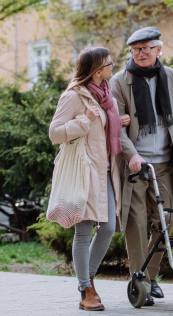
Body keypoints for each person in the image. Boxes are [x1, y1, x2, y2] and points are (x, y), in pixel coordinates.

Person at [110, 27, 173, 306]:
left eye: (146, 48)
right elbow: (116, 127)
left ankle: (150, 277)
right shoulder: (120, 81)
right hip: (135, 164)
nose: (140, 54)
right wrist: (131, 156)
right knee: (136, 221)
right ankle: (138, 279)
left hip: (166, 163)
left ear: (158, 50)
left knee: (164, 221)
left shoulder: (172, 78)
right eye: (135, 50)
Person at [49, 47, 130, 311]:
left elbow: (106, 126)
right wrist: (84, 120)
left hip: (105, 169)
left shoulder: (106, 95)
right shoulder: (73, 96)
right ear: (97, 71)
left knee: (107, 228)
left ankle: (89, 278)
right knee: (83, 231)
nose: (112, 67)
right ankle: (86, 288)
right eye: (109, 64)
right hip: (84, 172)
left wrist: (119, 121)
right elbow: (54, 134)